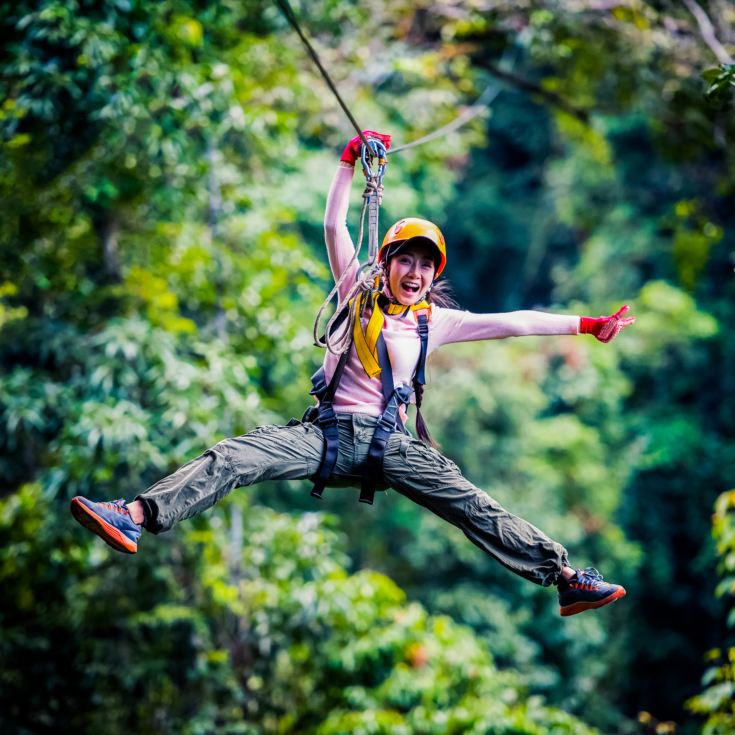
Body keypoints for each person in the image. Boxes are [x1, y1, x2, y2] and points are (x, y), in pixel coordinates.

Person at [70, 131, 636, 617]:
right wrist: (348, 163)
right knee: (234, 457)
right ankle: (135, 514)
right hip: (327, 435)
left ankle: (565, 579)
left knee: (472, 504)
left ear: (433, 273)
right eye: (404, 261)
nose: (413, 273)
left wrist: (588, 325)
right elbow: (334, 224)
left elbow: (513, 323)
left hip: (393, 445)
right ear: (386, 263)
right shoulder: (353, 293)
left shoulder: (433, 322)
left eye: (424, 264)